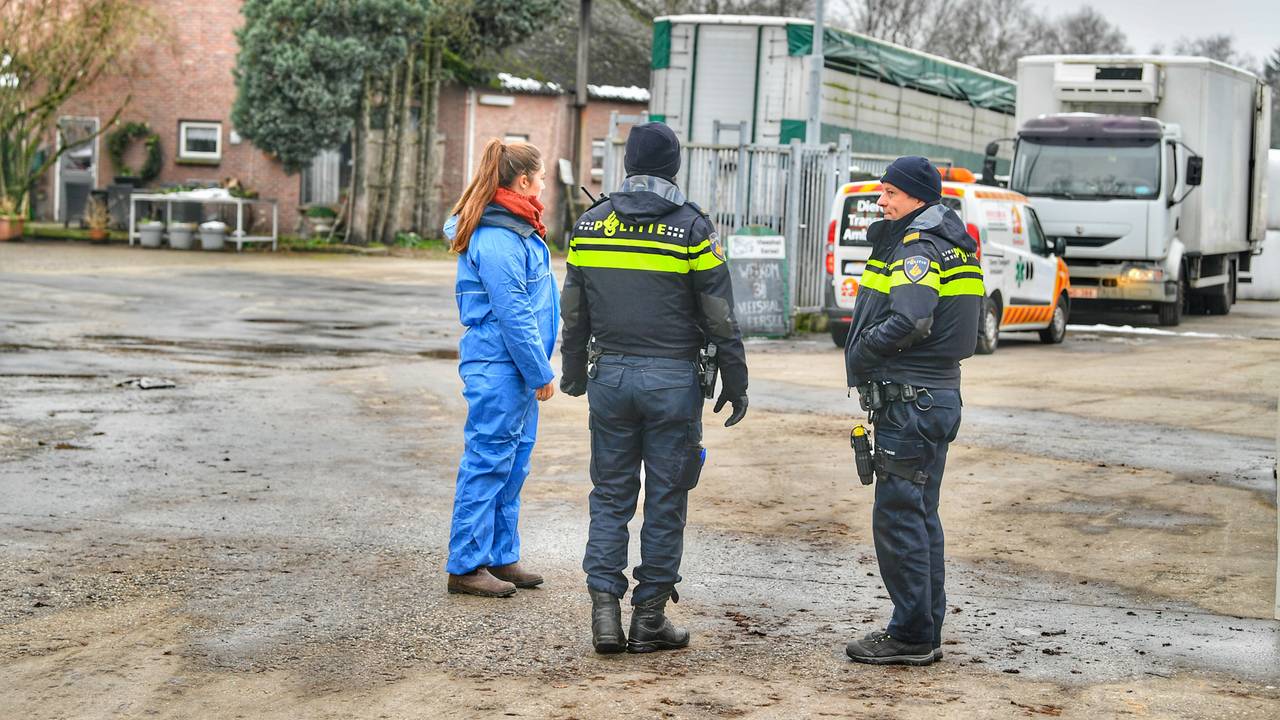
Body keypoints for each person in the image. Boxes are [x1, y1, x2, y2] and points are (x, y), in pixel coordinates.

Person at [559, 122, 748, 654]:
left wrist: (573, 371)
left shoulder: (590, 225)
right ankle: (649, 620)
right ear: (674, 167)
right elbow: (719, 314)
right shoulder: (692, 228)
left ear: (627, 165)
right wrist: (736, 378)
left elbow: (573, 309)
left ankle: (604, 616)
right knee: (666, 500)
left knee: (610, 496)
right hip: (672, 382)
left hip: (610, 379)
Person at [842, 156, 984, 665]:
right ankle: (925, 628)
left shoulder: (917, 247)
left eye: (891, 193)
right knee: (921, 515)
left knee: (899, 517)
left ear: (917, 197)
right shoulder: (955, 245)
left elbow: (911, 320)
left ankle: (911, 634)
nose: (881, 201)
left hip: (910, 402)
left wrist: (862, 352)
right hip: (935, 397)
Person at [442, 139, 557, 598]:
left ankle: (501, 555)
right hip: (500, 365)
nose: (544, 184)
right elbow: (514, 313)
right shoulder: (498, 237)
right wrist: (539, 371)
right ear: (524, 181)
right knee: (488, 461)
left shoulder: (518, 228)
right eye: (541, 177)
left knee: (514, 463)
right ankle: (466, 565)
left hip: (515, 368)